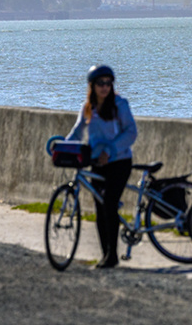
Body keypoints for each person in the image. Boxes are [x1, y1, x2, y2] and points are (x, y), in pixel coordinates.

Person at [65, 64, 137, 268]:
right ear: (92, 86)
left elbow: (131, 132)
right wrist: (61, 147)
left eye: (108, 83)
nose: (105, 87)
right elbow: (77, 132)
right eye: (100, 83)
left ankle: (112, 256)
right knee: (100, 209)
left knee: (109, 203)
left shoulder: (120, 104)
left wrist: (111, 151)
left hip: (119, 162)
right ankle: (105, 254)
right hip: (97, 163)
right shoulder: (88, 107)